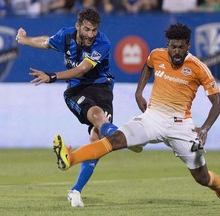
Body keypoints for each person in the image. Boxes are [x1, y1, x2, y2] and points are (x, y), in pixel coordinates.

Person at [53, 23, 220, 206]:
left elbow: (217, 103)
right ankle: (70, 158)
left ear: (188, 46)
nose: (177, 51)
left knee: (202, 178)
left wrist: (204, 129)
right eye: (173, 47)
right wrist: (139, 92)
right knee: (115, 139)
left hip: (180, 125)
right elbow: (148, 66)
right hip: (152, 119)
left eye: (181, 47)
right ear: (168, 45)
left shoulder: (199, 67)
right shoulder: (157, 55)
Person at [16, 8, 140, 207]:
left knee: (97, 137)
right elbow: (46, 42)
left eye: (94, 30)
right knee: (97, 117)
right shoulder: (66, 36)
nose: (91, 34)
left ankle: (75, 191)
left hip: (101, 87)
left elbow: (83, 69)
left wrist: (53, 76)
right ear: (78, 26)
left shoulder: (103, 42)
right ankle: (129, 138)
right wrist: (24, 40)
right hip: (76, 90)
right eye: (87, 29)